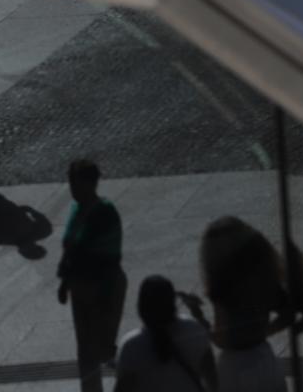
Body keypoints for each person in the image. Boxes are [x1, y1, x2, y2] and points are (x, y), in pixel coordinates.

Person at [187, 216, 303, 392]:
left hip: (234, 371)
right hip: (264, 363)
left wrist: (198, 316)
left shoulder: (222, 287)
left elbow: (224, 341)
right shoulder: (266, 280)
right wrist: (262, 333)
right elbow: (297, 316)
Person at [57, 159, 127, 392]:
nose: (72, 189)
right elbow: (70, 247)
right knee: (86, 354)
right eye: (70, 183)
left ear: (91, 183)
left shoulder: (105, 212)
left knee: (102, 350)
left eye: (76, 183)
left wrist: (106, 298)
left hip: (101, 288)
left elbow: (109, 258)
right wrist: (65, 281)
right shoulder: (77, 209)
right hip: (81, 290)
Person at [114, 275, 217, 392]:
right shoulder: (193, 329)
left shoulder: (131, 345)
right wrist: (198, 314)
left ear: (141, 306)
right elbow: (212, 379)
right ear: (172, 304)